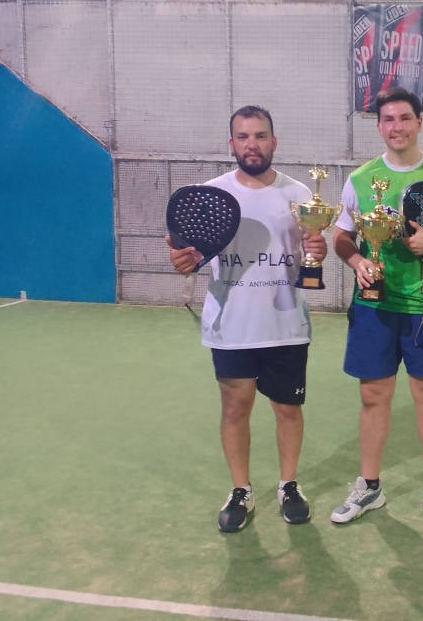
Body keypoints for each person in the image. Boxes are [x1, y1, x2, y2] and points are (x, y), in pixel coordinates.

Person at [166, 105, 327, 533]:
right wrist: (183, 261)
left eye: (260, 136)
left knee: (287, 409)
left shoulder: (300, 196)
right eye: (243, 137)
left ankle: (289, 485)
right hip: (231, 327)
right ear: (231, 144)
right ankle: (241, 490)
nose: (251, 144)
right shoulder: (210, 195)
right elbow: (191, 257)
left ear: (274, 142)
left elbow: (309, 255)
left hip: (286, 325)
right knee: (235, 409)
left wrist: (318, 254)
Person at [330, 86, 423, 528]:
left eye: (405, 118)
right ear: (379, 127)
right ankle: (369, 486)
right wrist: (357, 261)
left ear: (418, 123)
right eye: (388, 119)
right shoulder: (359, 179)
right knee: (373, 395)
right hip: (374, 305)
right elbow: (340, 236)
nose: (397, 127)